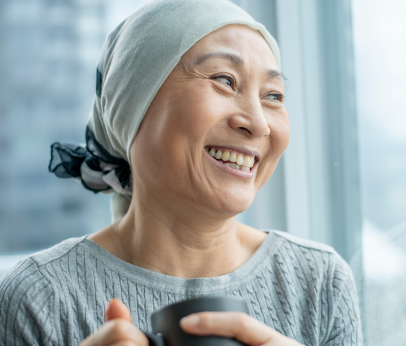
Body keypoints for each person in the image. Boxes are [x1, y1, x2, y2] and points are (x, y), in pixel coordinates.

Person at [0, 0, 362, 345]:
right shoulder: (39, 298)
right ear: (133, 110)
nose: (258, 124)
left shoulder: (320, 281)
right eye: (224, 79)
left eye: (273, 96)